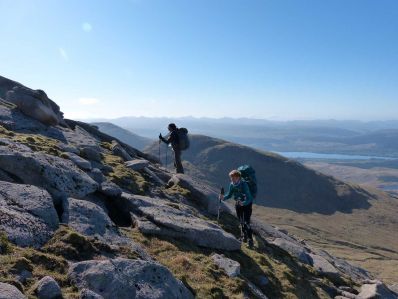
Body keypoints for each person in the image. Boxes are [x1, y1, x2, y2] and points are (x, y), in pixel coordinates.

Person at [220, 169, 254, 247]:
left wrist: (244, 203)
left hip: (247, 205)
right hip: (238, 204)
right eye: (231, 178)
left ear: (238, 177)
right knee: (241, 221)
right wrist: (223, 197)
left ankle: (250, 240)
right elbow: (229, 194)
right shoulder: (232, 184)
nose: (232, 179)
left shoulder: (244, 184)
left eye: (234, 177)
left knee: (246, 222)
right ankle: (244, 237)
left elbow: (249, 197)